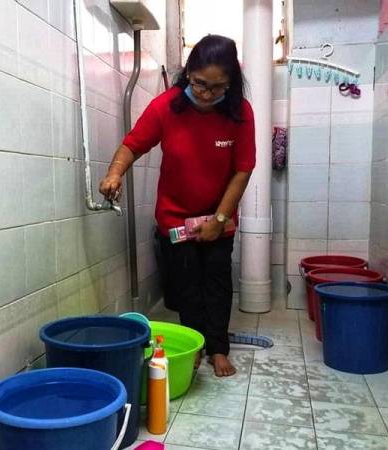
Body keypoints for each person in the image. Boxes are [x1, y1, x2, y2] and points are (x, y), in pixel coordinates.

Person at [99, 35, 256, 377]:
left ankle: (218, 349)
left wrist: (219, 218)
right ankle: (194, 345)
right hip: (175, 220)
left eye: (217, 87)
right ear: (188, 73)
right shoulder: (166, 106)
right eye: (199, 83)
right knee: (187, 287)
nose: (206, 94)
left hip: (219, 217)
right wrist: (114, 174)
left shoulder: (240, 112)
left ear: (230, 83)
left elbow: (243, 170)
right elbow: (132, 145)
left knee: (217, 282)